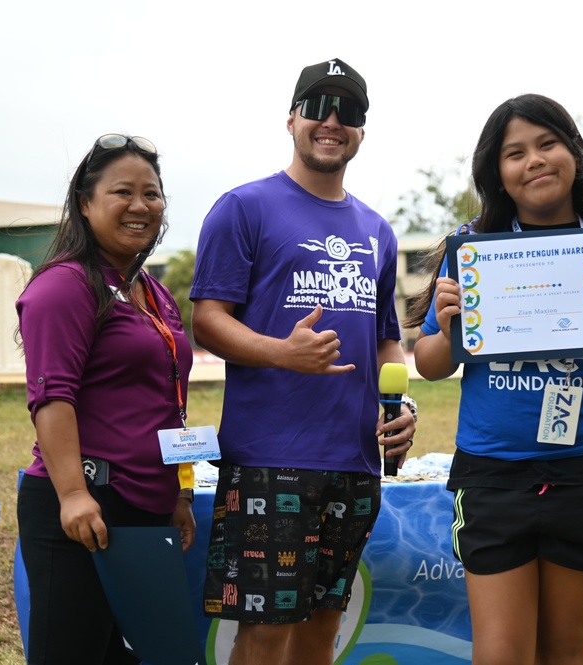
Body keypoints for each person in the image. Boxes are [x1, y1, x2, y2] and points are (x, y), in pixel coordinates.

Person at [405, 94, 583, 665]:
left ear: (575, 156)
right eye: (515, 152)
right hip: (493, 475)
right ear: (497, 173)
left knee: (565, 652)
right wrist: (449, 323)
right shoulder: (473, 251)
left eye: (547, 143)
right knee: (502, 653)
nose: (533, 160)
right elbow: (431, 364)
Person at [189, 58, 416, 665]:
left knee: (323, 627)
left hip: (356, 461)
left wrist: (403, 405)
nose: (332, 122)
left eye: (350, 112)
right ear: (291, 119)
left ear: (363, 131)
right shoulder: (244, 207)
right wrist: (282, 354)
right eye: (318, 107)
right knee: (264, 633)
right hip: (271, 460)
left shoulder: (377, 230)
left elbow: (386, 338)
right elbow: (207, 318)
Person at [16, 134, 195, 664]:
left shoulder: (151, 292)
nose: (141, 206)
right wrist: (73, 494)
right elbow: (51, 399)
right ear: (85, 203)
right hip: (82, 507)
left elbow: (170, 402)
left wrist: (178, 494)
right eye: (123, 192)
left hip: (144, 507)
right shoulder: (64, 286)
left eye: (152, 194)